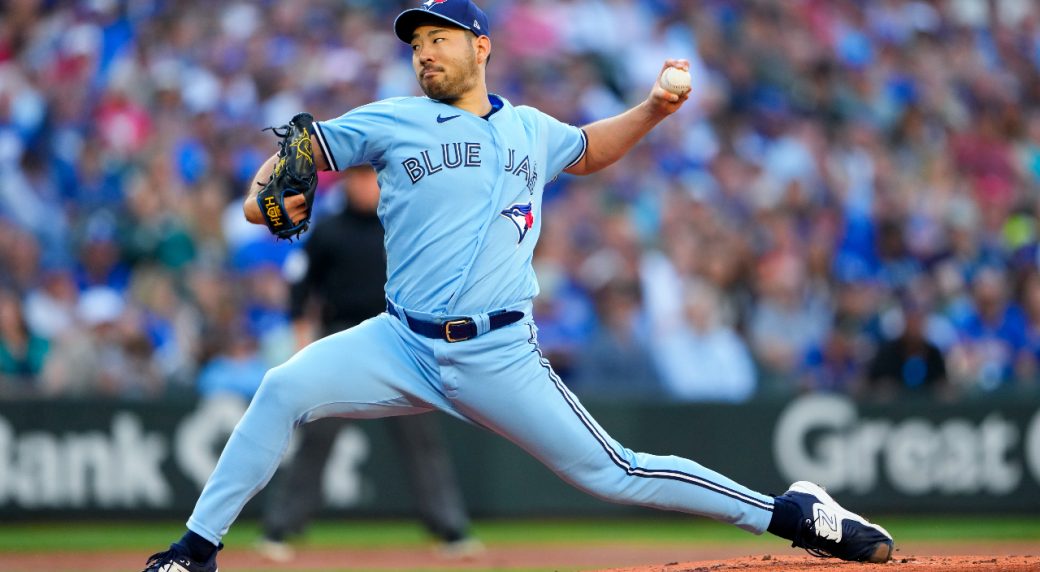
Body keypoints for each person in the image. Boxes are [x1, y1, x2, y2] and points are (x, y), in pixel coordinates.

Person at [143, 2, 894, 570]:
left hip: (497, 353)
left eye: (438, 37)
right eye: (415, 42)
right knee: (281, 387)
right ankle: (194, 551)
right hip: (400, 341)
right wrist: (260, 198)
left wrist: (653, 110)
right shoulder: (393, 121)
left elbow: (589, 149)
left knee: (617, 474)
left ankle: (791, 514)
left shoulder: (531, 129)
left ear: (481, 46)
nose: (423, 51)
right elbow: (298, 149)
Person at [255, 166, 479, 562]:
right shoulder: (328, 231)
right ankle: (281, 528)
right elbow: (300, 287)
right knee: (318, 435)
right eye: (356, 177)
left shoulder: (401, 225)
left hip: (398, 337)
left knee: (421, 439)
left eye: (369, 177)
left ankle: (450, 528)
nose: (364, 185)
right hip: (342, 337)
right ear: (346, 182)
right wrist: (302, 339)